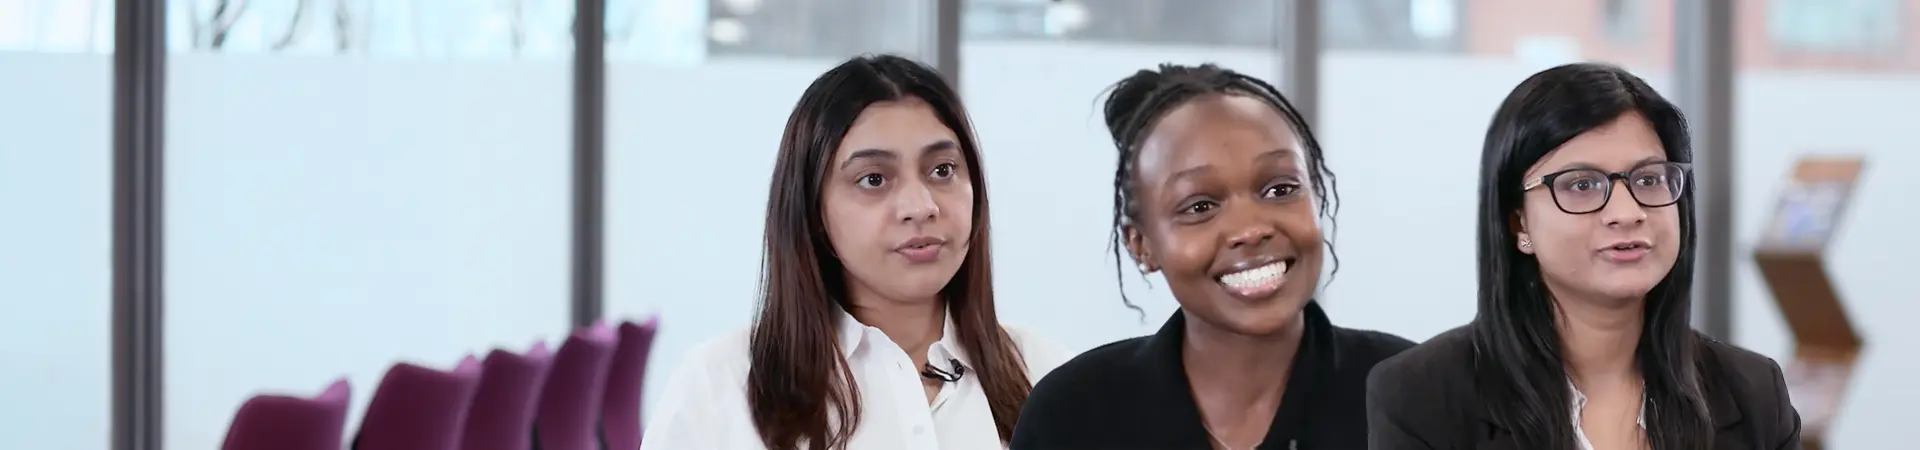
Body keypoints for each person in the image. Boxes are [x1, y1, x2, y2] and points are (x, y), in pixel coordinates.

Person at [639, 54, 1068, 450]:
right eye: (874, 179)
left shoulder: (1046, 375)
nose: (921, 206)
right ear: (813, 210)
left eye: (943, 170)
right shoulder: (719, 389)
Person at [1364, 62, 1801, 449]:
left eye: (1649, 180)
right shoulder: (1421, 396)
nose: (1627, 212)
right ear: (1518, 223)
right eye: (1582, 185)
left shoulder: (1754, 393)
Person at [1008, 63, 1416, 450]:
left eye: (1280, 189)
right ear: (1141, 244)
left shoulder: (1416, 394)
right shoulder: (1073, 415)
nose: (1251, 229)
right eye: (1200, 206)